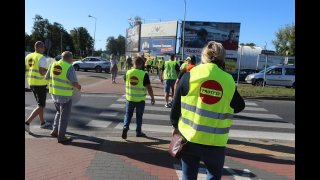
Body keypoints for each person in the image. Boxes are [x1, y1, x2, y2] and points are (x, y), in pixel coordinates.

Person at [170, 41, 245, 180]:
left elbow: (175, 107)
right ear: (222, 59)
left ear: (203, 56)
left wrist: (175, 125)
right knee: (213, 176)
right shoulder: (228, 80)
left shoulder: (189, 76)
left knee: (188, 176)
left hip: (189, 140)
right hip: (216, 143)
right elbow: (240, 106)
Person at [45, 51, 81, 143]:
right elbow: (74, 82)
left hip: (54, 93)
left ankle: (54, 130)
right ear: (69, 58)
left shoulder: (53, 64)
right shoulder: (69, 67)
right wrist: (78, 87)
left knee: (58, 112)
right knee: (64, 116)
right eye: (72, 58)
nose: (72, 60)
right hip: (65, 95)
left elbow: (46, 77)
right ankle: (61, 137)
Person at [121, 56, 155, 139]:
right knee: (139, 117)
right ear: (142, 64)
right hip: (140, 100)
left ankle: (125, 127)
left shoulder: (128, 72)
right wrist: (152, 98)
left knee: (128, 115)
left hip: (130, 99)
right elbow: (149, 87)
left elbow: (125, 81)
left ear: (133, 63)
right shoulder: (144, 74)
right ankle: (138, 132)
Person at [25, 41, 52, 133]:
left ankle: (42, 122)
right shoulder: (41, 57)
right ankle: (27, 123)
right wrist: (49, 71)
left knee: (40, 105)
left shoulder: (28, 56)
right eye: (43, 47)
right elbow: (41, 72)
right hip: (40, 84)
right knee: (41, 106)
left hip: (31, 83)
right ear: (39, 47)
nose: (44, 48)